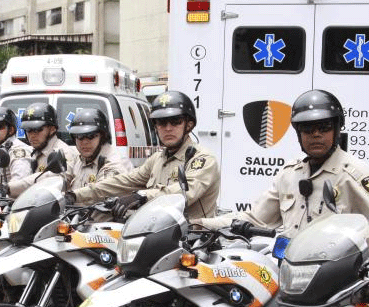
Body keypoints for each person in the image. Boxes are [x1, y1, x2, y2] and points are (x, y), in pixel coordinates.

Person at [195, 90, 369, 238]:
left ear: (337, 129)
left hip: (336, 273)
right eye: (307, 128)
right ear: (298, 134)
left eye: (324, 127)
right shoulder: (290, 175)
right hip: (290, 268)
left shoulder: (354, 174)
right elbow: (255, 219)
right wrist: (201, 224)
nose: (316, 134)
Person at [69, 91, 220, 221]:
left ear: (188, 125)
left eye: (175, 122)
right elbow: (122, 182)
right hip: (158, 233)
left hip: (195, 240)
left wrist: (141, 196)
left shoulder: (202, 159)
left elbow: (186, 193)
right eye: (161, 123)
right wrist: (75, 195)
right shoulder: (158, 159)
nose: (168, 128)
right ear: (155, 127)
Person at [7, 103, 77, 197]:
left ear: (52, 129)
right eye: (28, 130)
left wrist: (11, 188)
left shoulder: (62, 152)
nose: (32, 135)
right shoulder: (35, 151)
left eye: (37, 129)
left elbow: (54, 179)